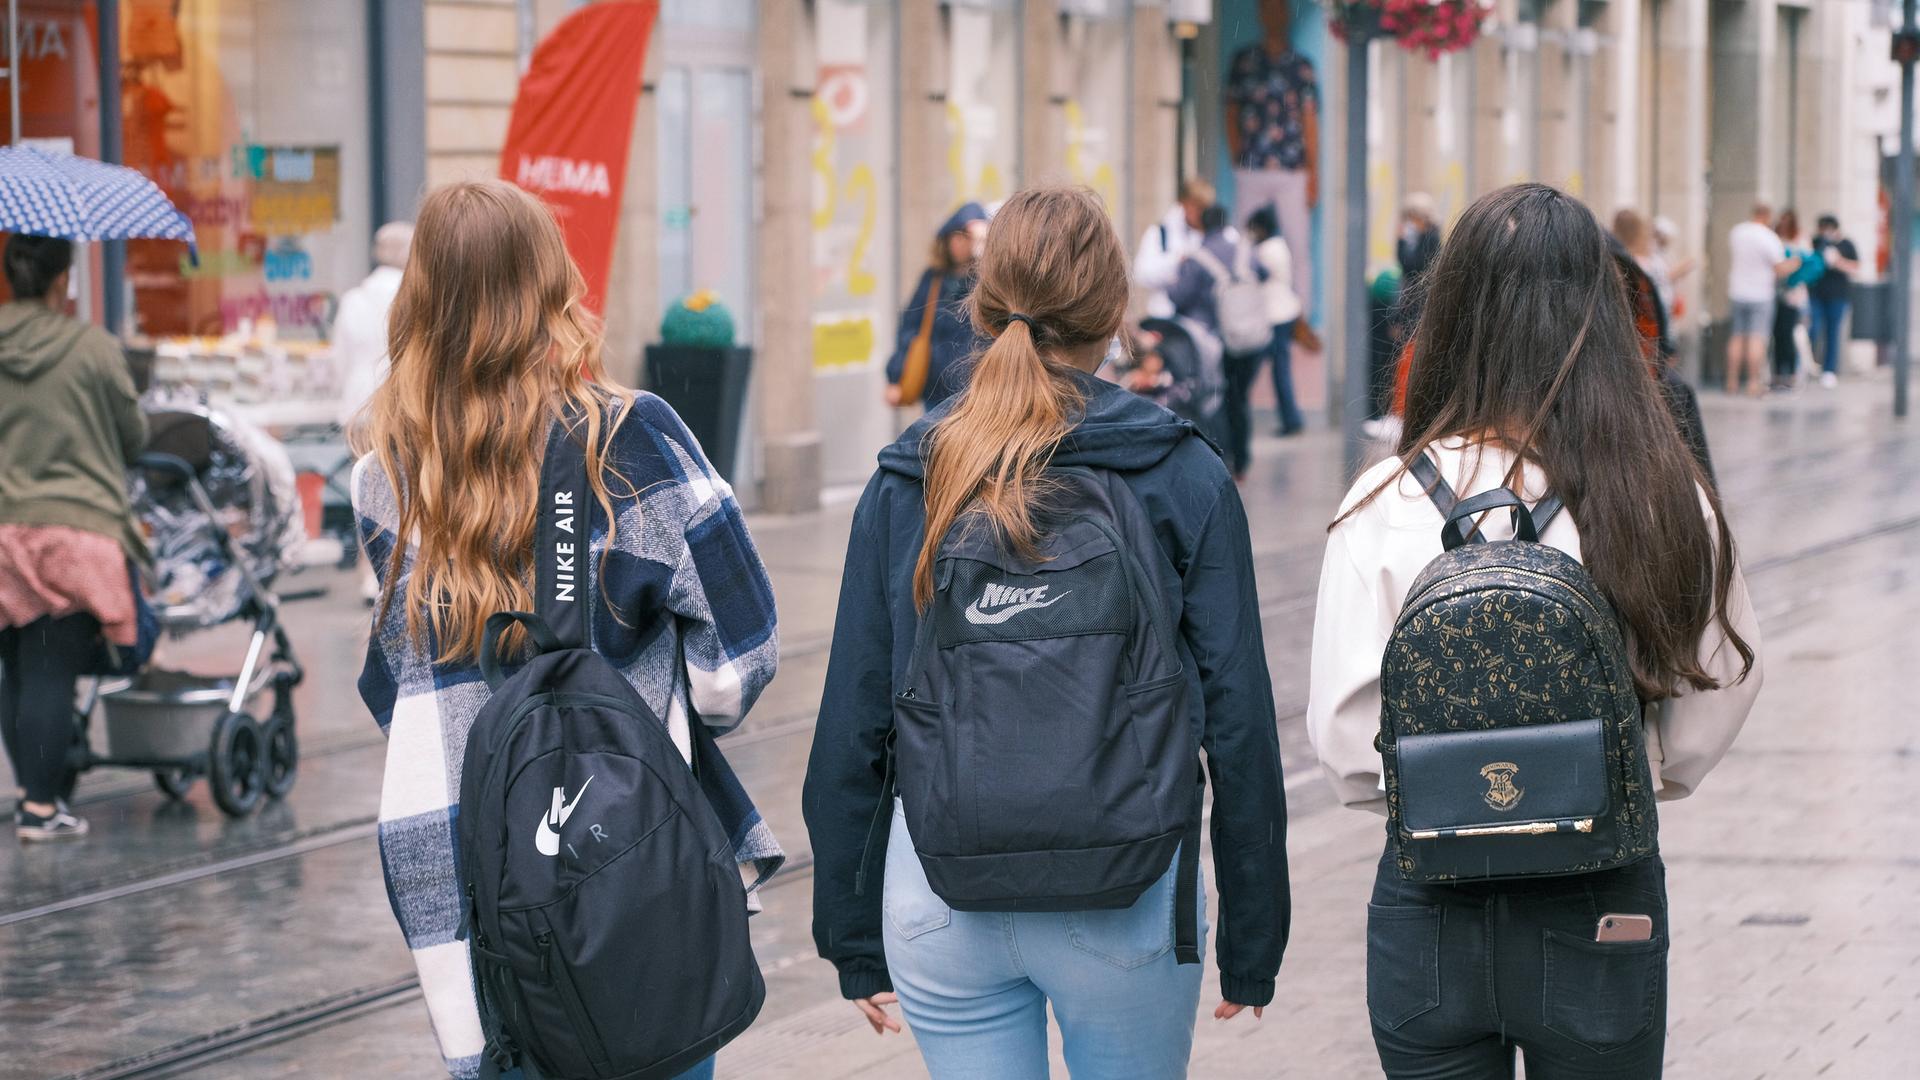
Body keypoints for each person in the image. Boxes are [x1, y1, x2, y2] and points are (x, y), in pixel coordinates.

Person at [805, 186, 1289, 1079]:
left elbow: (856, 714)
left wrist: (848, 927)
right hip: (1130, 890)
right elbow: (1239, 714)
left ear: (983, 309)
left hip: (939, 889)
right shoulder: (1179, 471)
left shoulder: (912, 474)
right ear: (1114, 313)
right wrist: (1255, 936)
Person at [1307, 183, 1762, 1079]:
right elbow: (1719, 694)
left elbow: (1346, 741)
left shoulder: (1382, 500)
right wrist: (1621, 778)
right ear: (1602, 311)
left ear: (1452, 315)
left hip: (1429, 908)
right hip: (1601, 899)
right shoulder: (1664, 492)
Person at [351, 180, 779, 1080]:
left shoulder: (383, 475)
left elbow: (403, 685)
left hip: (466, 868)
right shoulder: (631, 438)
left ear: (420, 298)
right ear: (551, 285)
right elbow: (738, 660)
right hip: (621, 861)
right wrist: (653, 695)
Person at [0, 235, 147, 842]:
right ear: (63, 281)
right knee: (50, 667)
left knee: (16, 666)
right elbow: (133, 434)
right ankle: (39, 806)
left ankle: (35, 795)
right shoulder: (91, 347)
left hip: (3, 527)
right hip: (74, 534)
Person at [1228, 0, 1319, 319]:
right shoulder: (1245, 62)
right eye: (1268, 8)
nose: (1274, 15)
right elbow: (1231, 109)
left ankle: (1301, 318)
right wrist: (1238, 157)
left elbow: (1310, 120)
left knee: (1298, 248)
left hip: (1292, 168)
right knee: (1241, 244)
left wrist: (1312, 174)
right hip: (1252, 166)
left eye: (1279, 8)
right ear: (1260, 14)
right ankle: (1241, 311)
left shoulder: (1301, 65)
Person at [1171, 204, 1261, 477]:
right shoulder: (1246, 251)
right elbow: (1264, 274)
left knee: (1217, 399)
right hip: (1249, 337)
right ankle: (1243, 460)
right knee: (1240, 398)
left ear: (1203, 225)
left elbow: (1178, 297)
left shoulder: (1198, 258)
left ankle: (1224, 457)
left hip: (1216, 340)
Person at [886, 203, 989, 412]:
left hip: (973, 388)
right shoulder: (934, 279)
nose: (960, 244)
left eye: (967, 238)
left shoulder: (987, 281)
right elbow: (910, 327)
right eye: (957, 236)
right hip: (935, 387)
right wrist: (896, 375)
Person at [334, 221, 414, 431]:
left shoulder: (353, 299)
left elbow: (340, 359)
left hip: (356, 405)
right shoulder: (413, 299)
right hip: (400, 406)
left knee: (360, 463)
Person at [1726, 202, 1798, 397]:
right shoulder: (1768, 237)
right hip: (1760, 294)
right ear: (1767, 216)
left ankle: (1731, 381)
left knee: (1737, 336)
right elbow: (1779, 269)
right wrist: (1795, 264)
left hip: (1737, 290)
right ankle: (1752, 382)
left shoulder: (1737, 232)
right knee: (1757, 338)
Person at [1246, 204, 1304, 436]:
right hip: (1282, 313)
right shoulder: (1278, 245)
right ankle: (1291, 419)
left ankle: (1291, 420)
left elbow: (1257, 274)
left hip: (1274, 316)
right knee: (1280, 370)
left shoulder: (1267, 250)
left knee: (1270, 370)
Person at [1132, 178, 1215, 319]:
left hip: (1202, 322)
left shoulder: (1214, 235)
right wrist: (1178, 263)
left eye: (1204, 208)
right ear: (1184, 204)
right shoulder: (1159, 232)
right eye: (1197, 207)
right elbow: (1141, 273)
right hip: (1165, 320)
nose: (1200, 213)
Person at [1808, 213, 1861, 388]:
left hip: (1838, 296)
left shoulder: (1846, 244)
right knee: (1813, 328)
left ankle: (1829, 370)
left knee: (1832, 333)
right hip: (1816, 294)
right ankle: (1809, 364)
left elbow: (1855, 268)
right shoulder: (1816, 242)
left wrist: (1837, 261)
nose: (1825, 233)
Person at [1769, 209, 1811, 391]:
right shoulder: (1773, 237)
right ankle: (1778, 374)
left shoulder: (1800, 238)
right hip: (1774, 293)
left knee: (1789, 334)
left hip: (1792, 295)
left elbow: (1804, 261)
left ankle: (1791, 374)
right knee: (1778, 335)